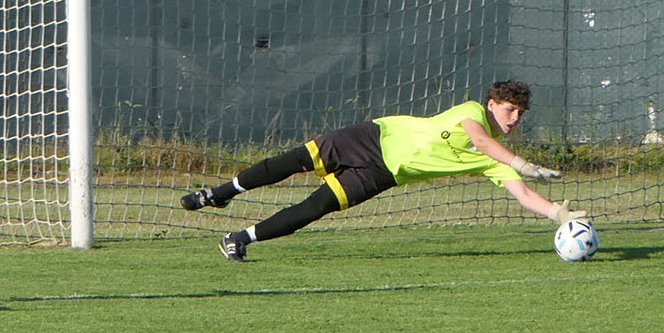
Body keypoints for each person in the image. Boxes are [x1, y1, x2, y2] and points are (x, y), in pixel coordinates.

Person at [180, 80, 588, 261]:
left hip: (382, 174)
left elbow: (522, 194)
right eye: (508, 108)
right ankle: (221, 193)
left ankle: (239, 238)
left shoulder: (492, 160)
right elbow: (480, 140)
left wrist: (557, 214)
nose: (514, 117)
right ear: (492, 103)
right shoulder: (472, 114)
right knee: (289, 163)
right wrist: (521, 162)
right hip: (373, 137)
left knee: (314, 208)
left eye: (520, 112)